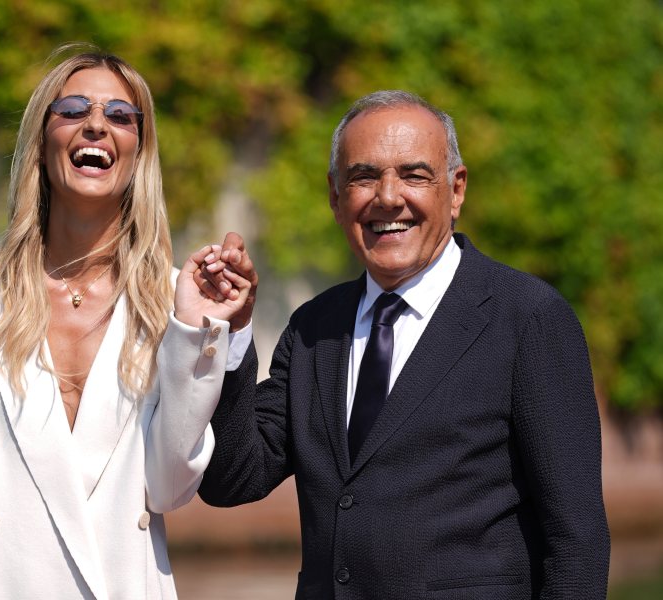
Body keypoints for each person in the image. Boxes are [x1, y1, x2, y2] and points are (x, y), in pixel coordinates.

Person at [198, 90, 610, 599]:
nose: (388, 197)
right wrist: (233, 331)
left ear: (455, 190)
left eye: (414, 175)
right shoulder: (313, 328)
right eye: (364, 176)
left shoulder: (527, 318)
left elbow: (576, 541)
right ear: (335, 195)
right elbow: (232, 479)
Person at [0, 45, 252, 599]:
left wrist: (192, 332)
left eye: (119, 116)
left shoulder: (172, 302)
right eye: (73, 110)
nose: (95, 126)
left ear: (138, 151)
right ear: (42, 140)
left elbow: (170, 488)